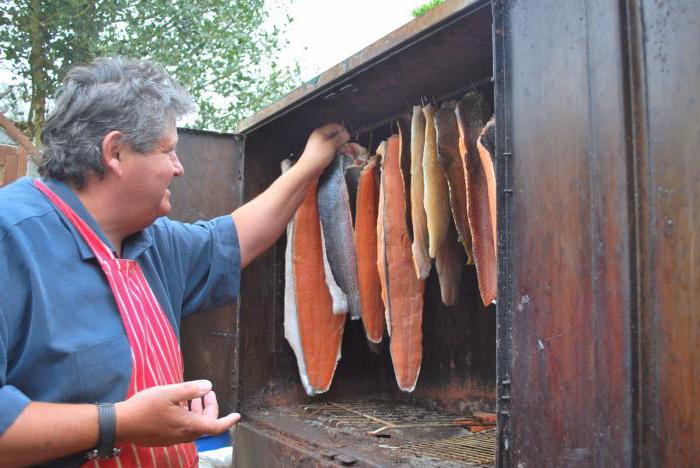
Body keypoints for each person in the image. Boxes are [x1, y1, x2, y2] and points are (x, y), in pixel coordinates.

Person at [0, 57, 349, 467]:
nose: (180, 169)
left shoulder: (149, 240)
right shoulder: (13, 236)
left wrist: (312, 163)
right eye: (169, 151)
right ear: (115, 151)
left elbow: (238, 237)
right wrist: (119, 422)